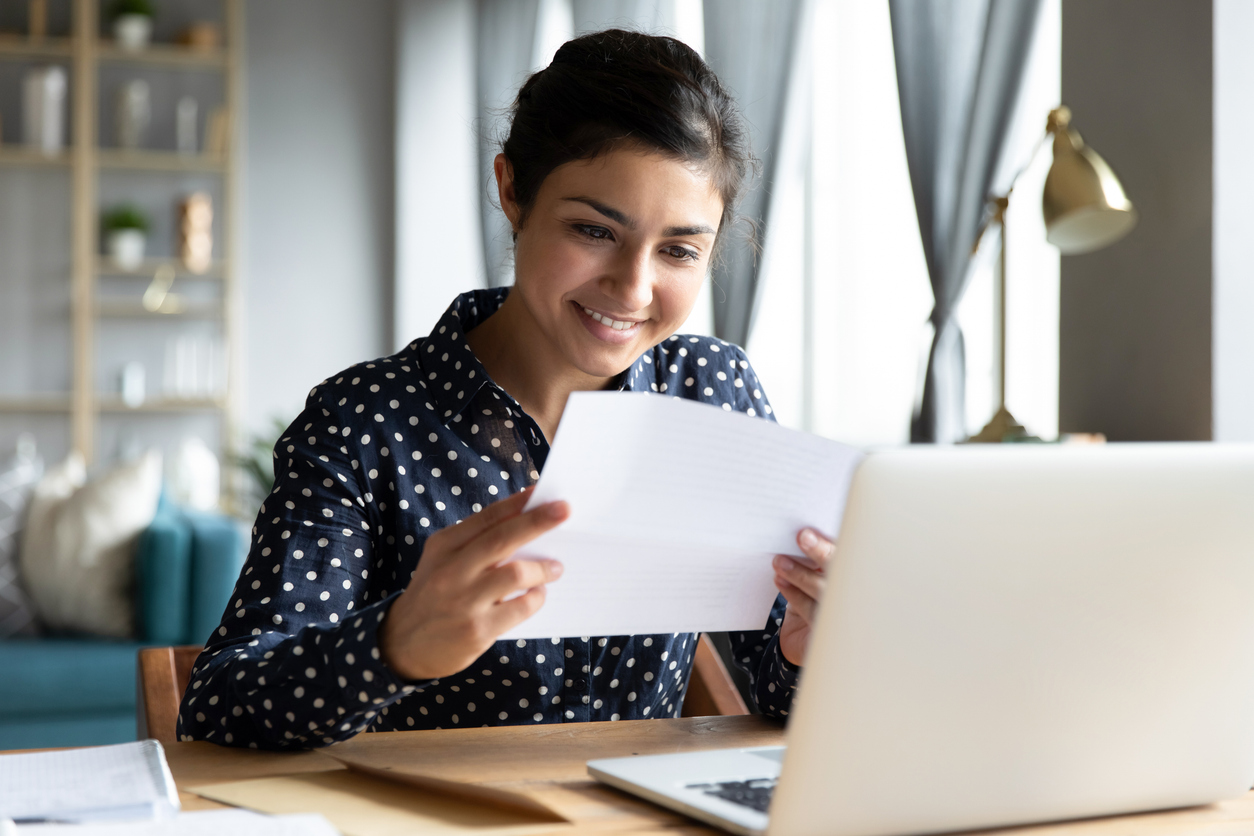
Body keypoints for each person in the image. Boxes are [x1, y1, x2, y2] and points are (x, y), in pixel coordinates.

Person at [178, 28, 834, 749]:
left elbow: (776, 689)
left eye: (679, 250)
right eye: (593, 230)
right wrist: (389, 647)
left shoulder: (713, 392)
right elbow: (217, 706)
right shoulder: (363, 422)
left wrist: (814, 648)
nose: (633, 287)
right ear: (512, 190)